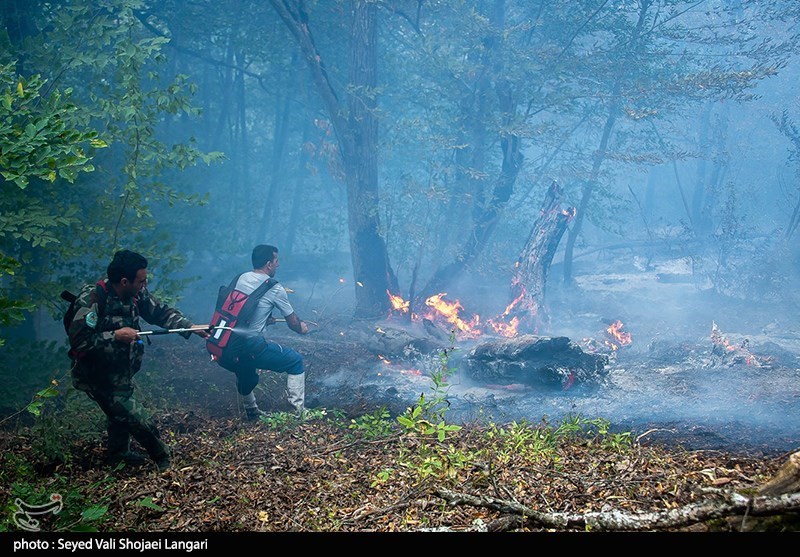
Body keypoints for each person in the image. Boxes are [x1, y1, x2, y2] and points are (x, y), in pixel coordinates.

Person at [67, 249, 209, 472]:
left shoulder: (136, 293)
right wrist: (115, 335)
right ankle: (164, 459)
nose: (145, 285)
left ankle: (119, 455)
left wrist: (189, 326)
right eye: (141, 281)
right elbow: (80, 342)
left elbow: (159, 313)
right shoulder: (92, 299)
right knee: (137, 417)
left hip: (122, 371)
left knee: (118, 415)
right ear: (124, 281)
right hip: (96, 375)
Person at [215, 244, 309, 420]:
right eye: (276, 260)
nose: (278, 264)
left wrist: (264, 319)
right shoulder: (274, 288)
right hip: (250, 346)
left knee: (244, 370)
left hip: (227, 342)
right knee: (295, 361)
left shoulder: (240, 278)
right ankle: (298, 412)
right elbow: (293, 323)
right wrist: (302, 328)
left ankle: (252, 412)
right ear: (268, 264)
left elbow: (239, 310)